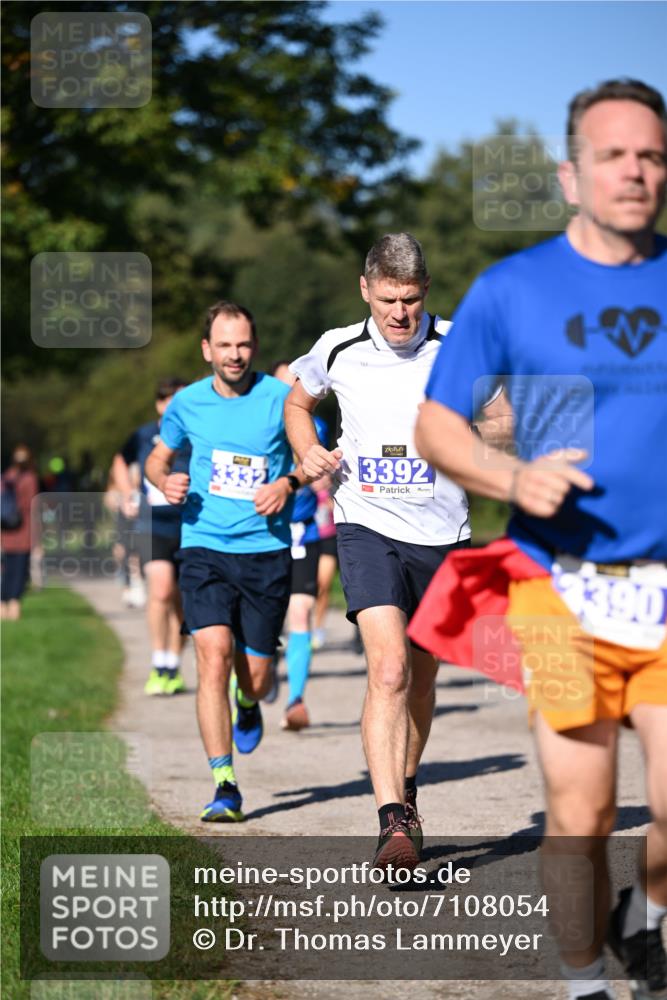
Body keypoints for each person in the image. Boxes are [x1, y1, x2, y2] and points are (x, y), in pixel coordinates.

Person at [411, 80, 667, 1000]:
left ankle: (645, 922)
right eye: (612, 155)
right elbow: (435, 428)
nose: (634, 171)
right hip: (555, 592)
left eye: (651, 156)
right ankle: (581, 984)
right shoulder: (510, 289)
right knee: (580, 811)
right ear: (571, 174)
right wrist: (514, 478)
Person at [285, 233, 484, 872]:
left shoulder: (462, 344)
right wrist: (305, 448)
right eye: (389, 299)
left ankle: (406, 785)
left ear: (426, 292)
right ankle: (391, 820)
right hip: (365, 525)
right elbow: (297, 400)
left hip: (444, 535)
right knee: (390, 668)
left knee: (422, 678)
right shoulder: (337, 348)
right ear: (366, 288)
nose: (400, 313)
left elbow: (503, 420)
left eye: (412, 299)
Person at [145, 301, 307, 822]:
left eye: (243, 345)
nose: (234, 355)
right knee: (211, 652)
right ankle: (224, 783)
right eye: (224, 345)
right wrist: (161, 480)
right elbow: (157, 457)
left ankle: (250, 699)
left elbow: (317, 458)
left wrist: (288, 483)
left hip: (266, 551)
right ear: (206, 349)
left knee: (254, 676)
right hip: (204, 544)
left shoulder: (284, 400)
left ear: (253, 347)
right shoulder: (187, 403)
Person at [112, 377, 190, 695]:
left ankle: (173, 663)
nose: (173, 407)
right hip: (154, 525)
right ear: (159, 405)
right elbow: (121, 459)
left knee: (183, 600)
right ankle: (159, 662)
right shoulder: (144, 435)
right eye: (167, 400)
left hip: (192, 525)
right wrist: (128, 491)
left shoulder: (197, 433)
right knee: (160, 590)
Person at [271, 359, 329, 730]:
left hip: (302, 533)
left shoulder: (316, 426)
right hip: (261, 534)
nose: (288, 389)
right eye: (281, 383)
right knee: (261, 622)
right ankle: (254, 682)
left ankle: (295, 700)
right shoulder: (256, 427)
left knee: (300, 613)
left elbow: (320, 473)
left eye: (294, 382)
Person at [1, 445, 40, 620]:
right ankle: (14, 606)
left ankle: (2, 605)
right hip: (23, 532)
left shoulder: (6, 477)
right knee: (19, 572)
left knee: (7, 570)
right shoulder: (30, 479)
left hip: (6, 533)